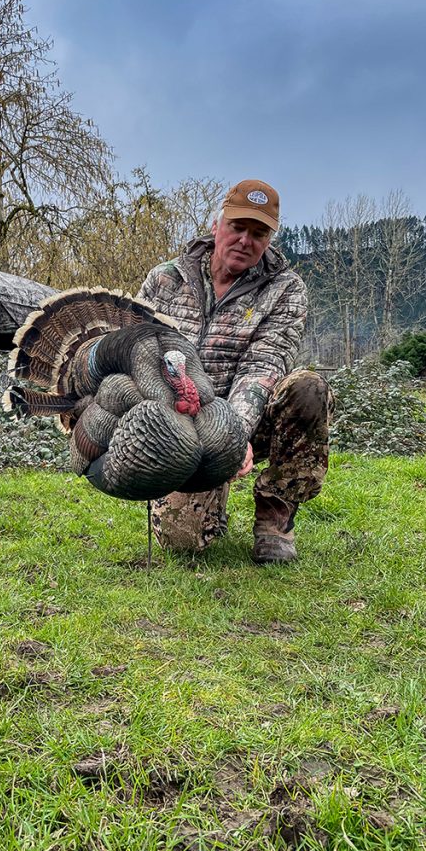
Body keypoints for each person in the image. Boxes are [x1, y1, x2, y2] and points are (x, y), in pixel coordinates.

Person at [138, 179, 333, 564]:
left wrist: (232, 434)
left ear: (270, 239)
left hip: (250, 420)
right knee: (182, 542)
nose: (246, 240)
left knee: (308, 389)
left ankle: (275, 517)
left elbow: (263, 366)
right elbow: (139, 354)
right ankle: (210, 503)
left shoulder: (285, 289)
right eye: (238, 227)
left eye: (259, 233)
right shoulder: (165, 279)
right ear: (217, 225)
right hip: (181, 423)